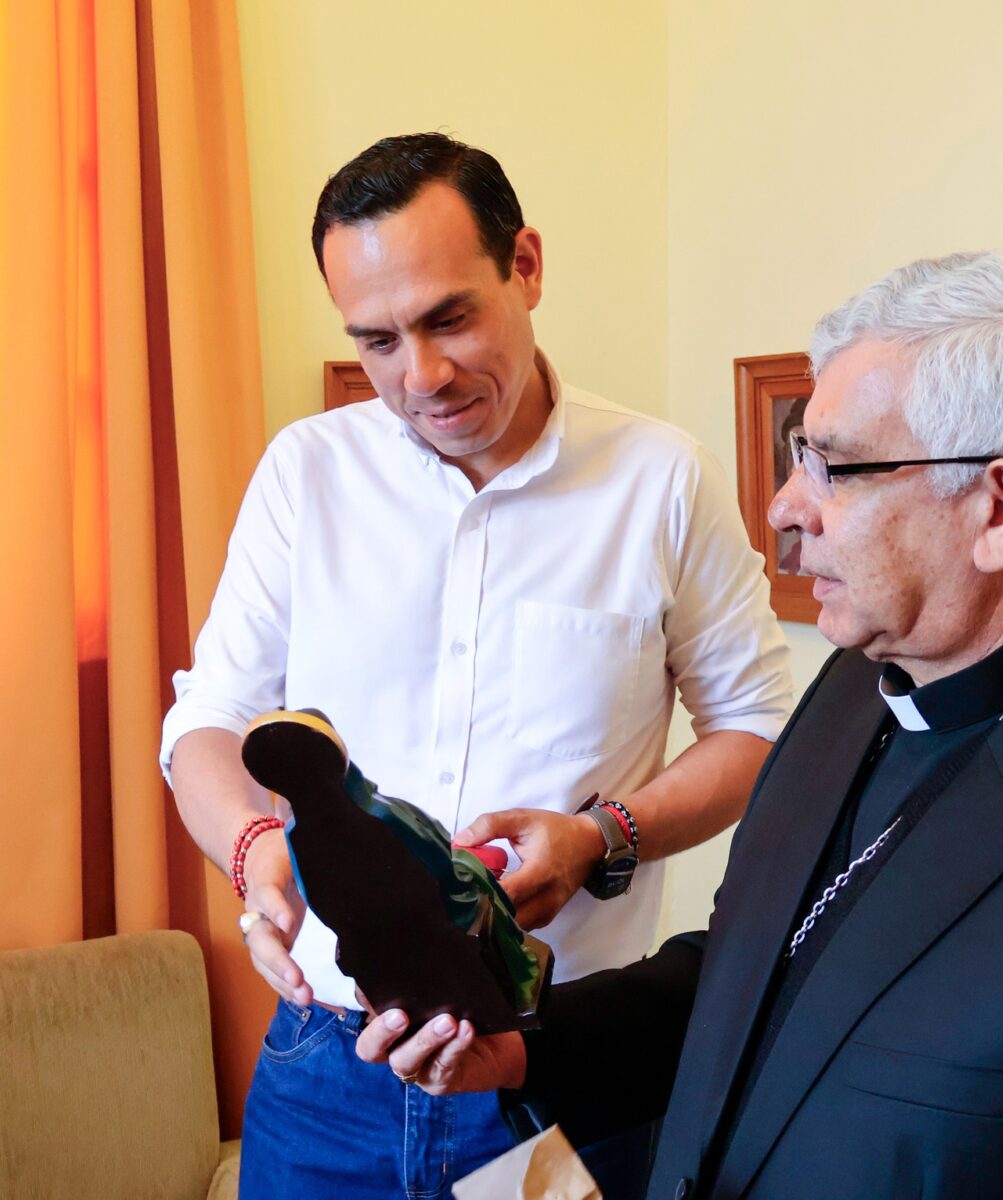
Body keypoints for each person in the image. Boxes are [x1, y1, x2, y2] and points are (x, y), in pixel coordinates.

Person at [362, 251, 1003, 1199]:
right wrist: (527, 1047)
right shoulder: (860, 675)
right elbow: (753, 976)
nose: (785, 506)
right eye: (801, 453)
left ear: (1001, 510)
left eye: (835, 466)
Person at [158, 132, 791, 1199]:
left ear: (525, 266)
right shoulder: (306, 474)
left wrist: (602, 837)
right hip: (329, 1070)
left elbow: (760, 729)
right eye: (378, 341)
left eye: (449, 318)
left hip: (555, 1064)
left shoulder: (661, 480)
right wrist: (255, 847)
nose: (423, 376)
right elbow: (208, 718)